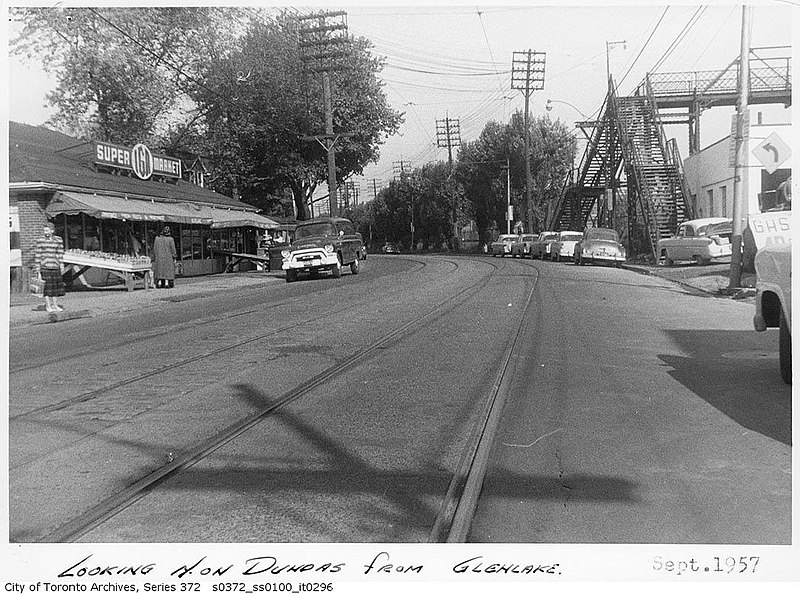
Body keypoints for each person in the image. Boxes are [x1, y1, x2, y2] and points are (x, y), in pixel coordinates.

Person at [34, 222, 65, 313]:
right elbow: (38, 254)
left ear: (52, 230)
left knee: (55, 288)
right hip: (45, 266)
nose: (45, 232)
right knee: (47, 288)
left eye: (47, 230)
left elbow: (60, 253)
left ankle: (55, 305)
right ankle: (48, 306)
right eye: (44, 231)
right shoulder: (40, 240)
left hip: (55, 266)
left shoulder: (58, 240)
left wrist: (61, 264)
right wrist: (37, 268)